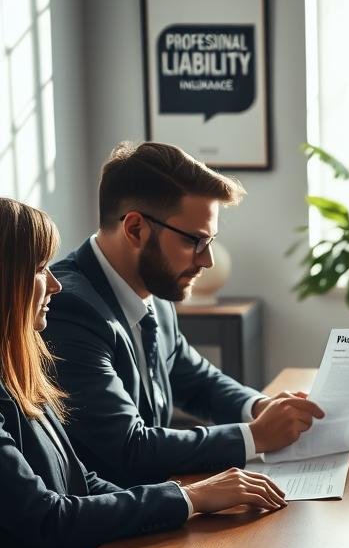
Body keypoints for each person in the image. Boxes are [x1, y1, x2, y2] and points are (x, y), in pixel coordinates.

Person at [0, 198, 288, 548]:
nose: (55, 284)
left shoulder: (20, 373)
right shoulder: (72, 315)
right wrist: (188, 498)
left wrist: (189, 500)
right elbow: (48, 519)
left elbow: (81, 482)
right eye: (38, 269)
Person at [44, 141, 323, 487]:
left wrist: (258, 407)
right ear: (135, 229)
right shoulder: (67, 309)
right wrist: (255, 437)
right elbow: (128, 447)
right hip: (110, 529)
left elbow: (195, 378)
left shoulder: (154, 291)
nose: (206, 261)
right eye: (194, 241)